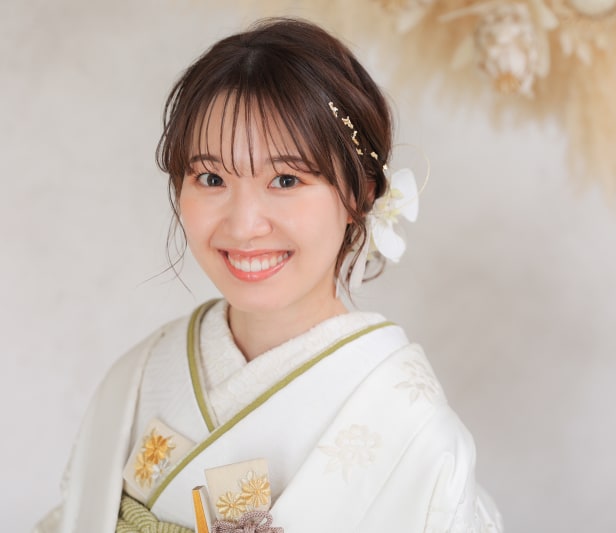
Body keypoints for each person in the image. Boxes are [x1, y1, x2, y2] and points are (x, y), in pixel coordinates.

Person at [35, 17, 502, 533]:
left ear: (361, 193)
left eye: (285, 180)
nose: (243, 225)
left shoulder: (413, 431)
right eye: (210, 177)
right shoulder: (139, 376)